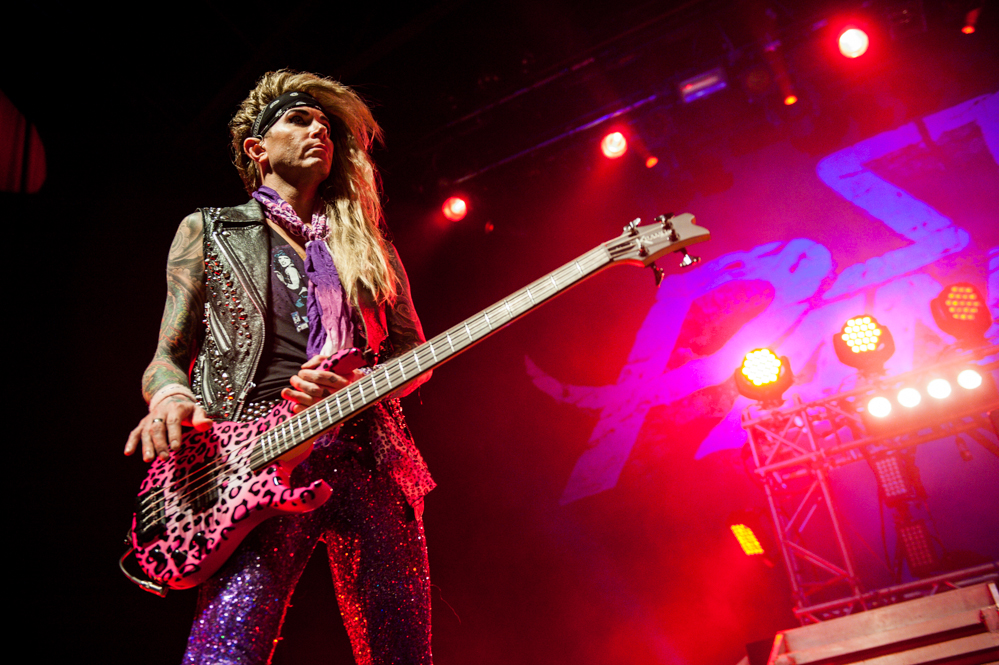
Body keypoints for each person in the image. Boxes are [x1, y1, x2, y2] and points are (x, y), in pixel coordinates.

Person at [124, 70, 435, 665]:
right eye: (299, 119)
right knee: (229, 648)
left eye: (327, 127)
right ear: (257, 148)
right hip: (257, 455)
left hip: (367, 454)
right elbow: (168, 356)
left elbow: (414, 357)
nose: (320, 131)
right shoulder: (208, 229)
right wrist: (169, 398)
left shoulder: (370, 246)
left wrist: (362, 384)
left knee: (402, 651)